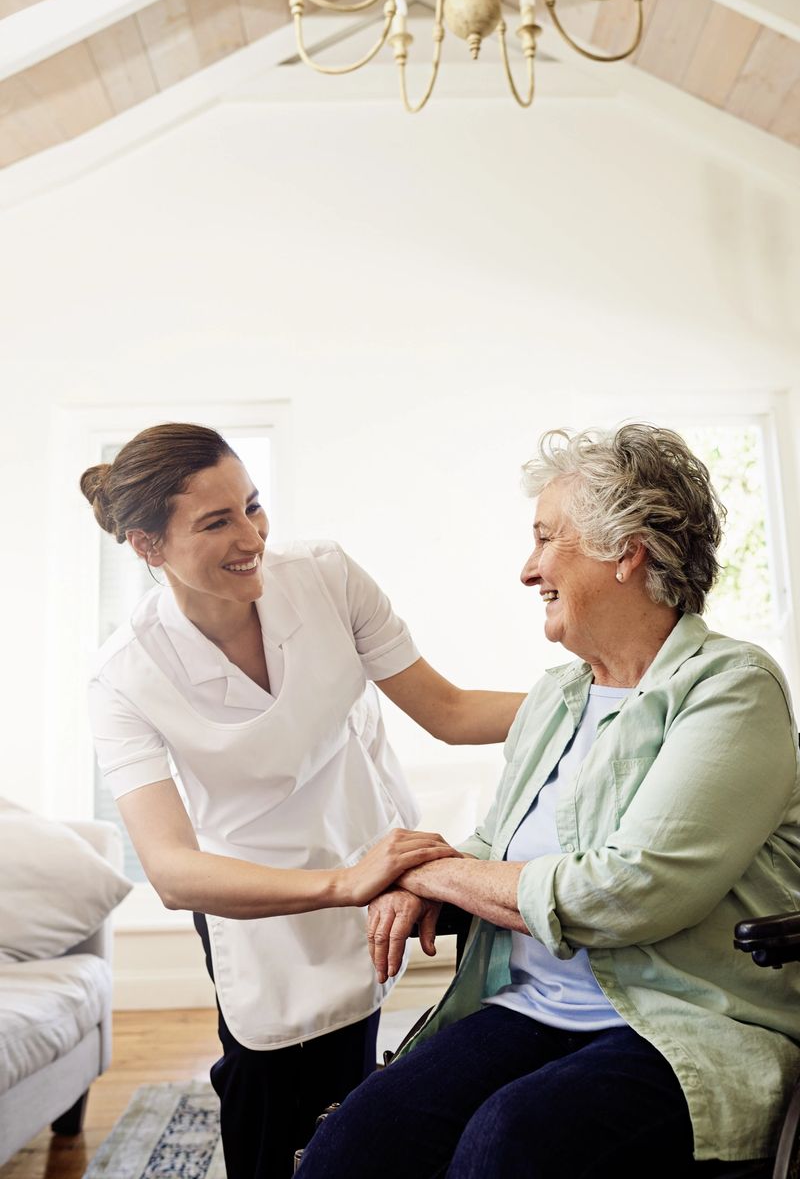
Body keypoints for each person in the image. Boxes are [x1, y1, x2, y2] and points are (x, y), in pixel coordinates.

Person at [297, 424, 800, 1178]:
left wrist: (429, 870)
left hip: (680, 1021)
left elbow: (631, 891)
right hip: (530, 1005)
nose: (528, 569)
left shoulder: (729, 686)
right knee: (355, 1144)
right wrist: (428, 867)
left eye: (544, 539)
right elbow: (496, 843)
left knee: (507, 1141)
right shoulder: (557, 695)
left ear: (626, 550)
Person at [80, 422, 524, 1179]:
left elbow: (447, 710)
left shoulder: (325, 576)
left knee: (353, 1094)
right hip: (252, 897)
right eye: (217, 521)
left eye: (253, 506)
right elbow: (173, 869)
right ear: (147, 546)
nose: (251, 534)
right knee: (266, 1093)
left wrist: (604, 692)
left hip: (361, 850)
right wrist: (339, 885)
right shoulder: (124, 674)